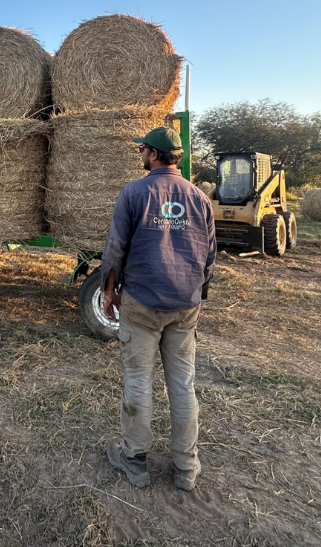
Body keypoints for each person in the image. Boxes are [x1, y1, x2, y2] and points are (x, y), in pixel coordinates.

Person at [100, 127, 216, 491]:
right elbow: (209, 256)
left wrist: (108, 290)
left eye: (142, 150)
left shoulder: (134, 192)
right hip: (186, 303)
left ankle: (133, 459)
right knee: (182, 384)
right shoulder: (200, 198)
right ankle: (186, 467)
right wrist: (198, 293)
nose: (140, 155)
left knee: (138, 380)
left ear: (152, 154)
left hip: (143, 300)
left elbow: (116, 246)